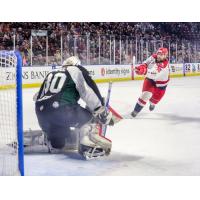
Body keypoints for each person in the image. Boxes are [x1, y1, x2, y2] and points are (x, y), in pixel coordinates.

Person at [35, 56, 113, 158]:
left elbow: (37, 96)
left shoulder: (52, 72)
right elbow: (87, 91)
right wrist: (100, 109)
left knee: (59, 142)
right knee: (90, 118)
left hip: (41, 114)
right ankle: (86, 145)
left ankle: (51, 140)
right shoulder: (76, 70)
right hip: (62, 111)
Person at [131, 47, 169, 117]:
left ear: (165, 56)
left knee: (154, 101)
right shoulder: (153, 57)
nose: (159, 56)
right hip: (150, 81)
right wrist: (140, 68)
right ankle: (135, 111)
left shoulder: (164, 65)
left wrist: (143, 71)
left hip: (161, 86)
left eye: (162, 54)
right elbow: (145, 64)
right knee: (146, 95)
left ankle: (152, 104)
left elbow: (153, 74)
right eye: (159, 54)